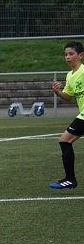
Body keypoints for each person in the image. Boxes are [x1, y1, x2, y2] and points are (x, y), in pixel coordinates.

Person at [48, 41, 84, 190]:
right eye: (66, 54)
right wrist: (57, 92)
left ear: (81, 55)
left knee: (64, 140)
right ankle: (70, 179)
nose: (68, 57)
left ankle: (70, 179)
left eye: (71, 54)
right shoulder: (70, 75)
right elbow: (68, 96)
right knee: (64, 141)